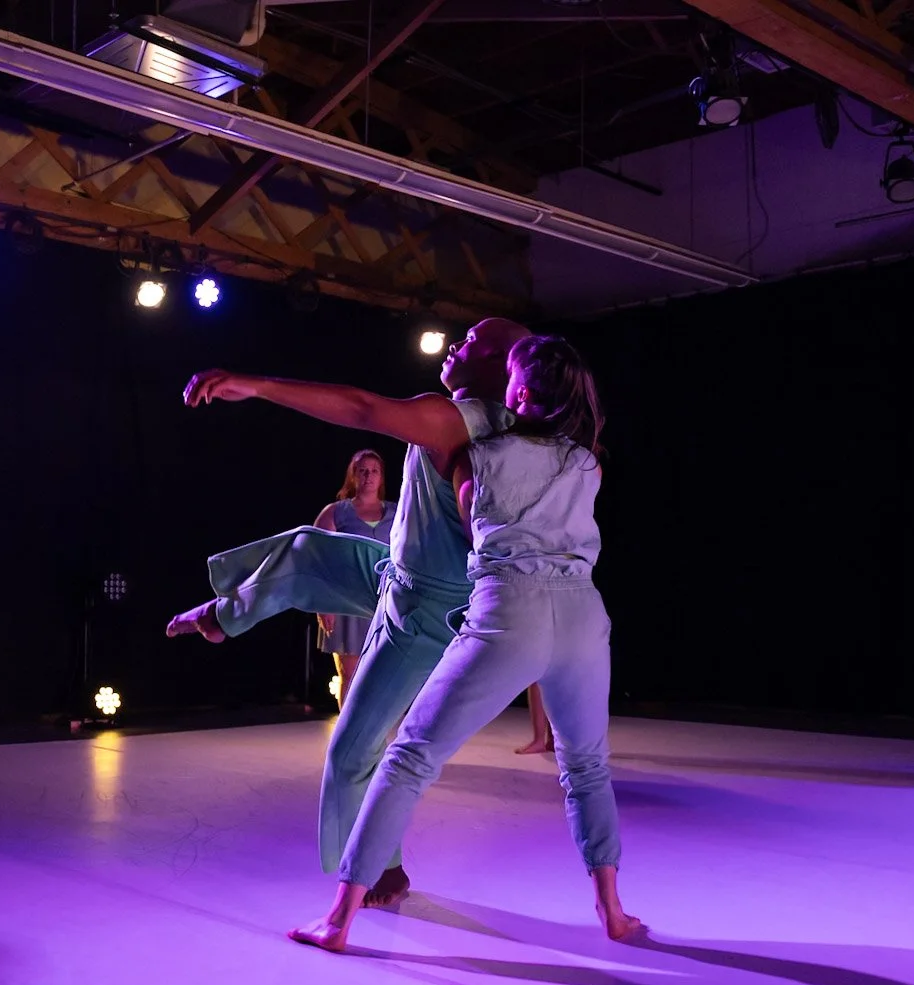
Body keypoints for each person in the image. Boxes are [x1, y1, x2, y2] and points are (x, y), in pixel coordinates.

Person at [286, 335, 641, 952]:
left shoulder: (476, 457)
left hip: (511, 611)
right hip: (585, 616)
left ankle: (338, 920)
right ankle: (613, 912)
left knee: (408, 759)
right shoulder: (590, 463)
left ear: (518, 391)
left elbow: (470, 526)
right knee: (586, 767)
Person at [170, 317, 531, 907]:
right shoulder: (508, 428)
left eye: (471, 341)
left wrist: (257, 385)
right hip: (398, 574)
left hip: (425, 611)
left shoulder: (454, 418)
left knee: (351, 751)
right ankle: (223, 616)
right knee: (307, 548)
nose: (456, 343)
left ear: (496, 364)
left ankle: (382, 869)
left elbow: (362, 408)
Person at [313, 450, 395, 707]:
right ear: (353, 476)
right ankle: (347, 729)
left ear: (381, 478)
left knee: (383, 673)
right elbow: (317, 558)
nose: (369, 476)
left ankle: (376, 728)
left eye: (374, 471)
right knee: (349, 673)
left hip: (385, 600)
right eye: (363, 471)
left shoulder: (397, 512)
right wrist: (323, 603)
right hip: (346, 600)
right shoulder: (336, 512)